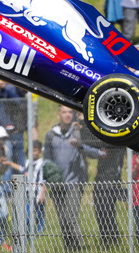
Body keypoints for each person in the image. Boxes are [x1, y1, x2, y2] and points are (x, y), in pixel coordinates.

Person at [43, 106, 96, 250]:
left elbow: (94, 151)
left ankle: (78, 247)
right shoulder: (51, 135)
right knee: (62, 220)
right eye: (64, 112)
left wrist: (80, 145)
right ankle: (68, 248)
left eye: (70, 112)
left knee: (70, 217)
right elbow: (46, 159)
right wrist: (45, 182)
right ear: (58, 114)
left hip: (75, 182)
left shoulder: (78, 132)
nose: (67, 115)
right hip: (57, 184)